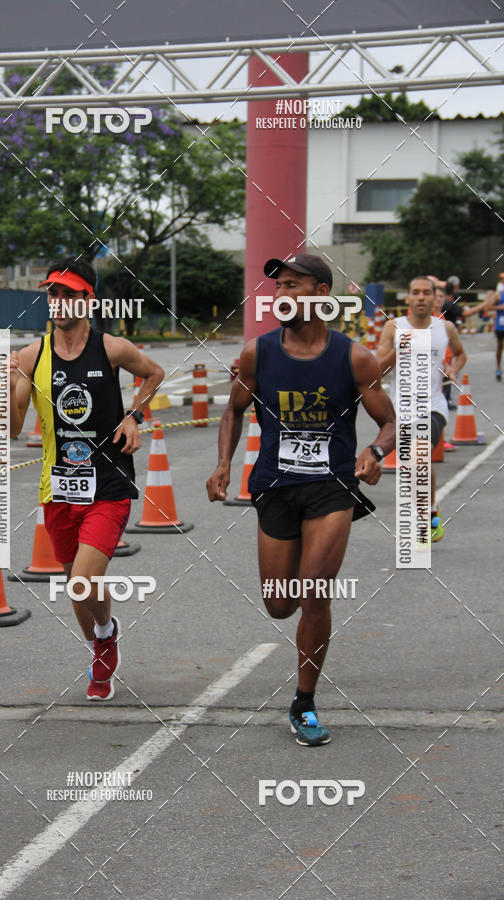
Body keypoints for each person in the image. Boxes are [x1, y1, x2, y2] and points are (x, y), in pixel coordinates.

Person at [206, 254, 396, 747]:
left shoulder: (354, 358)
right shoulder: (258, 353)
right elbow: (233, 410)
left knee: (314, 591)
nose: (282, 294)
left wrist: (375, 452)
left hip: (331, 487)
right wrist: (223, 463)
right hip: (275, 485)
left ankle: (304, 701)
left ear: (321, 293)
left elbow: (390, 421)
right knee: (279, 603)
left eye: (293, 284)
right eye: (278, 286)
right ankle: (301, 668)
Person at [9, 256, 164, 700]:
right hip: (58, 488)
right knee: (77, 589)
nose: (58, 301)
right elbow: (14, 428)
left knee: (82, 579)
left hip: (108, 486)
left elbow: (154, 373)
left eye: (68, 293)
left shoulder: (112, 348)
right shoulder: (31, 356)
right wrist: (8, 384)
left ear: (87, 299)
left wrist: (134, 416)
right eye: (52, 293)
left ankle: (104, 635)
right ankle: (102, 638)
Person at [376, 277, 467, 543]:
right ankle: (431, 511)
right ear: (408, 298)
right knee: (412, 468)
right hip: (401, 412)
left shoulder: (445, 328)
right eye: (415, 292)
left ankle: (425, 520)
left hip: (433, 408)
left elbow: (460, 354)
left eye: (427, 293)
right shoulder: (393, 327)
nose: (421, 297)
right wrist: (398, 350)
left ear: (435, 298)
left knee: (418, 458)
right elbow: (377, 369)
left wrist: (453, 369)